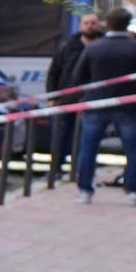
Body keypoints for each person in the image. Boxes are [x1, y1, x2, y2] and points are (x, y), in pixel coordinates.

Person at [74, 7, 136, 204]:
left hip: (96, 102)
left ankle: (85, 190)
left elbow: (78, 77)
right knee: (133, 149)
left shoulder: (93, 47)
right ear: (128, 24)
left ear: (106, 24)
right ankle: (135, 192)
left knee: (88, 147)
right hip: (129, 104)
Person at [44, 11, 102, 185]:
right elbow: (54, 73)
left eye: (93, 23)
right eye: (86, 23)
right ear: (80, 26)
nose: (90, 26)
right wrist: (52, 96)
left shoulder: (103, 46)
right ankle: (56, 170)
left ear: (99, 26)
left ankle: (80, 170)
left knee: (87, 137)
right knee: (59, 137)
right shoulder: (67, 47)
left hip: (92, 100)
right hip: (66, 99)